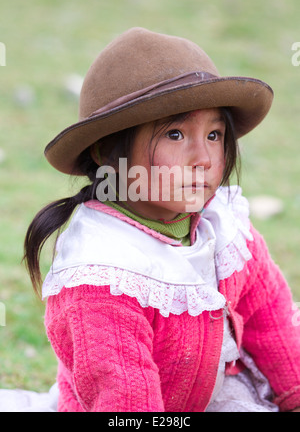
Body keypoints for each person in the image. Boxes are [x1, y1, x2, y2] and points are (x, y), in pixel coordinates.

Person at [23, 27, 300, 412]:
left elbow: (270, 318)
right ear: (107, 153)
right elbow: (125, 401)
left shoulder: (222, 227)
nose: (202, 157)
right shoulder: (103, 273)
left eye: (215, 134)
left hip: (216, 397)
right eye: (174, 133)